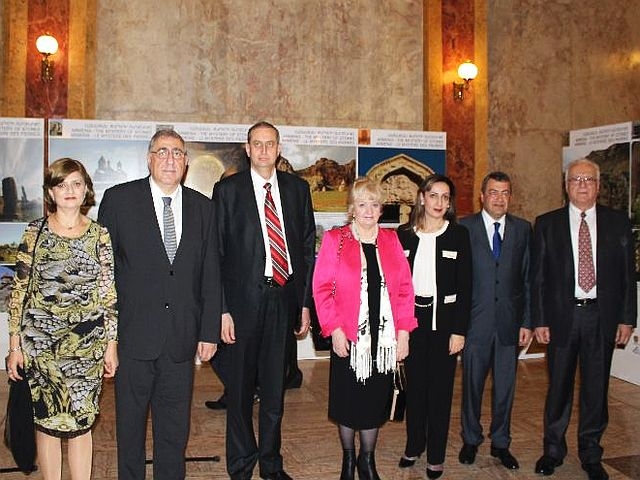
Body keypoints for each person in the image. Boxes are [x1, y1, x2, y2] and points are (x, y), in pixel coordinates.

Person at [98, 129, 221, 480]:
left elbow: (210, 272)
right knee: (130, 428)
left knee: (174, 430)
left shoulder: (203, 208)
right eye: (162, 151)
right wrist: (107, 338)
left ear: (186, 162)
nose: (170, 159)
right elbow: (104, 274)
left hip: (181, 338)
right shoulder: (119, 201)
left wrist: (208, 331)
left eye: (177, 153)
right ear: (149, 158)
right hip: (132, 337)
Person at [212, 121, 315, 480]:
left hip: (282, 300)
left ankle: (271, 464)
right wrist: (222, 309)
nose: (263, 150)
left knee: (274, 390)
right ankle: (241, 464)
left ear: (279, 148)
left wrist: (304, 303)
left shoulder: (298, 189)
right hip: (241, 305)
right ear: (247, 148)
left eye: (270, 144)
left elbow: (306, 249)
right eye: (257, 144)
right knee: (240, 391)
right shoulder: (228, 191)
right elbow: (216, 254)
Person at [6, 158, 118, 480]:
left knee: (82, 424)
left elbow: (107, 294)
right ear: (51, 192)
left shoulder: (99, 235)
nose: (69, 190)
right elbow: (19, 291)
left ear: (86, 190)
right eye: (61, 184)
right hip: (41, 347)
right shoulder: (35, 232)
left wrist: (111, 345)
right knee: (47, 425)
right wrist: (14, 346)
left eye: (76, 183)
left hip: (87, 348)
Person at [532, 158, 636, 480]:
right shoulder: (547, 224)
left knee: (595, 389)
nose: (582, 185)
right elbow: (538, 278)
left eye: (588, 180)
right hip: (562, 318)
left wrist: (627, 319)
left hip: (600, 318)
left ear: (598, 186)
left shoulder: (618, 223)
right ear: (566, 186)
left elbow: (627, 276)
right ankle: (553, 451)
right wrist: (540, 320)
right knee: (558, 388)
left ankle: (591, 453)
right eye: (576, 179)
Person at [313, 177, 417, 480]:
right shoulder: (336, 239)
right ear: (352, 209)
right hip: (348, 337)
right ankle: (348, 460)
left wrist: (404, 333)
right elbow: (322, 288)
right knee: (348, 403)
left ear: (381, 209)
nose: (369, 210)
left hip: (383, 341)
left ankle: (366, 461)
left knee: (373, 402)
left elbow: (404, 290)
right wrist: (334, 329)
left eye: (374, 204)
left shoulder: (391, 240)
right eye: (362, 204)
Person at [396, 174, 472, 479]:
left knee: (440, 392)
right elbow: (395, 285)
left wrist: (459, 331)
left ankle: (436, 455)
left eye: (445, 197)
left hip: (445, 324)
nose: (439, 202)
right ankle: (414, 445)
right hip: (411, 322)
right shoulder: (403, 234)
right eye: (434, 195)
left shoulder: (459, 235)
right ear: (422, 197)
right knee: (415, 389)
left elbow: (466, 286)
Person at [458, 171, 532, 470]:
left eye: (505, 193)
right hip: (474, 324)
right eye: (493, 192)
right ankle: (470, 439)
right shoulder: (464, 228)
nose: (499, 198)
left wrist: (527, 321)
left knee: (505, 388)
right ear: (482, 196)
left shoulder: (523, 229)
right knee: (472, 387)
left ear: (510, 196)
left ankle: (501, 443)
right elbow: (457, 281)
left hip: (509, 325)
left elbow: (528, 278)